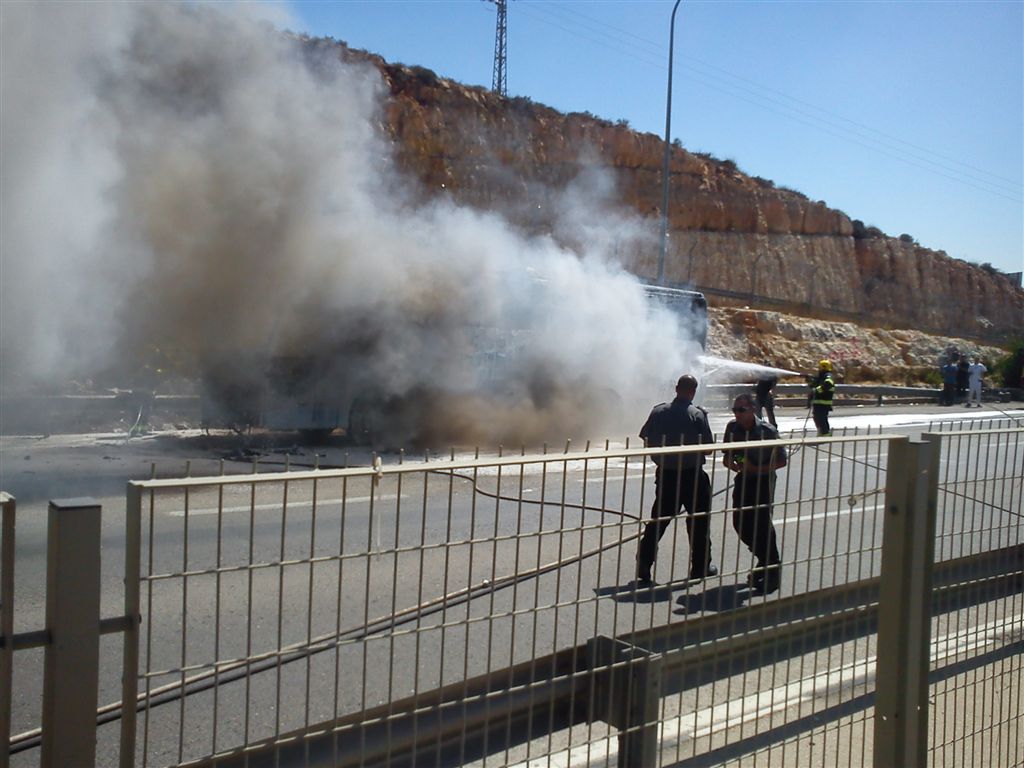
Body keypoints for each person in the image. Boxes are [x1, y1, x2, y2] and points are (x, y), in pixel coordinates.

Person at [635, 374, 717, 586]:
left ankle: (644, 560)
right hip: (692, 475)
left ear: (676, 388)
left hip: (666, 474)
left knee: (659, 521)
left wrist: (662, 456)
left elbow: (645, 436)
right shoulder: (697, 414)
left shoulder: (658, 411)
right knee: (699, 520)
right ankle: (701, 566)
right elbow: (708, 447)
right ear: (694, 391)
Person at [723, 393, 787, 595]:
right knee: (740, 522)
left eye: (741, 410)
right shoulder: (732, 428)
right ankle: (765, 560)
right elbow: (729, 453)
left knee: (761, 525)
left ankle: (772, 569)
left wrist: (755, 469)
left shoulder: (767, 431)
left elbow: (781, 461)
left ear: (752, 410)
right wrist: (736, 463)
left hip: (763, 482)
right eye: (735, 410)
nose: (737, 414)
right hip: (744, 480)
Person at [809, 359, 836, 436]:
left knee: (822, 418)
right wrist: (811, 381)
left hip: (824, 402)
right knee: (817, 418)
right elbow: (813, 385)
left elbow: (828, 384)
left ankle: (825, 433)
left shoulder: (828, 376)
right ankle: (821, 432)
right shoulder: (821, 377)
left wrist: (818, 389)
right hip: (818, 402)